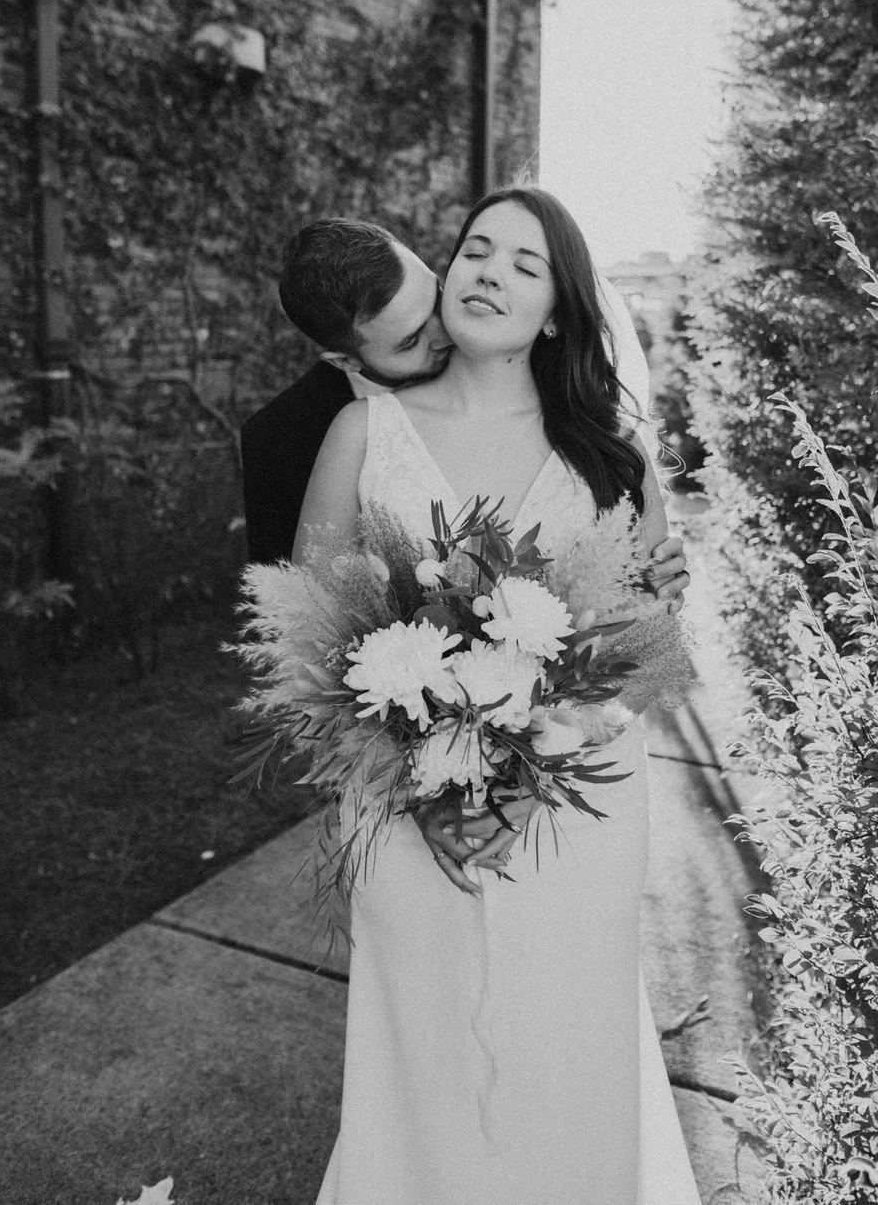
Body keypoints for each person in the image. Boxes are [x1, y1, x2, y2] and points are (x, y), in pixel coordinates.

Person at [296, 188, 702, 1205]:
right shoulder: (363, 432)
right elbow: (304, 652)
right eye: (477, 248)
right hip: (404, 822)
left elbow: (651, 662)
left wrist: (526, 784)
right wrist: (427, 782)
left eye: (525, 264)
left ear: (557, 308)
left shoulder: (607, 458)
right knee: (423, 1070)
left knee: (566, 1064)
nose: (489, 271)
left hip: (574, 820)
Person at [241, 212, 690, 600]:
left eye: (435, 298)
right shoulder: (284, 439)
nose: (443, 333)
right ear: (345, 360)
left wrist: (656, 579)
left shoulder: (593, 431)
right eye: (411, 341)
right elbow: (298, 623)